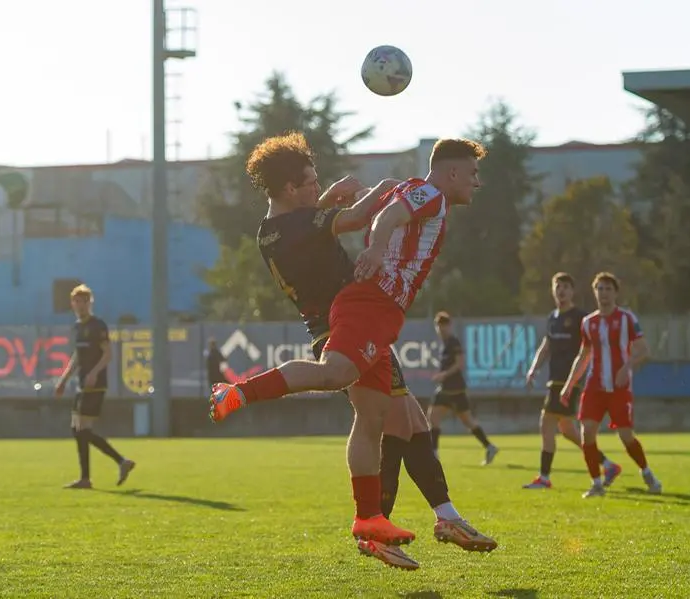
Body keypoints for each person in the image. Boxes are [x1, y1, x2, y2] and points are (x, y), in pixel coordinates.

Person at [209, 133, 494, 568]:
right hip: (347, 320)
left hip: (352, 318)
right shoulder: (303, 223)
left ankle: (413, 519)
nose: (315, 188)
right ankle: (240, 393)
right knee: (345, 385)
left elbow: (310, 226)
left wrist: (327, 199)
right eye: (309, 182)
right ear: (289, 188)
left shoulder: (273, 230)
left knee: (400, 418)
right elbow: (359, 218)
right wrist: (383, 189)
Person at [560, 272, 662, 498]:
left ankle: (646, 473)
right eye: (600, 289)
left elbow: (644, 350)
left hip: (619, 388)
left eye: (608, 289)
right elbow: (584, 355)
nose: (604, 293)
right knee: (587, 434)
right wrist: (569, 385)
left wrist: (628, 367)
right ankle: (596, 483)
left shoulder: (627, 318)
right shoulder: (588, 322)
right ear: (594, 292)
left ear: (615, 292)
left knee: (626, 435)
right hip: (594, 387)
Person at [523, 272, 621, 489]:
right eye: (558, 286)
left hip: (569, 380)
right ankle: (608, 464)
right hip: (554, 379)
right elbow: (546, 346)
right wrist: (533, 369)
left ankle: (544, 477)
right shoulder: (552, 318)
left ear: (572, 291)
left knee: (546, 423)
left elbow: (590, 349)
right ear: (552, 290)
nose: (562, 290)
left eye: (566, 286)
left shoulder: (580, 318)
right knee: (568, 430)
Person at [55, 284, 135, 489]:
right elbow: (77, 357)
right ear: (72, 304)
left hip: (95, 384)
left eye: (84, 302)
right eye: (77, 302)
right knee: (77, 429)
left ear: (90, 303)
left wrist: (94, 372)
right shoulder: (78, 327)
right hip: (82, 383)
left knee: (82, 429)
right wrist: (63, 379)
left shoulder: (98, 325)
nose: (80, 306)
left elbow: (107, 354)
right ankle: (102, 470)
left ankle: (103, 469)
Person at [427, 311, 498, 465]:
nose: (441, 329)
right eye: (439, 326)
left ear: (449, 326)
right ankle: (489, 446)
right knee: (435, 417)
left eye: (444, 326)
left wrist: (443, 375)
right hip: (446, 388)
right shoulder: (445, 344)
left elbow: (460, 363)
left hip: (454, 388)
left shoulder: (453, 342)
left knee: (465, 420)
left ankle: (489, 446)